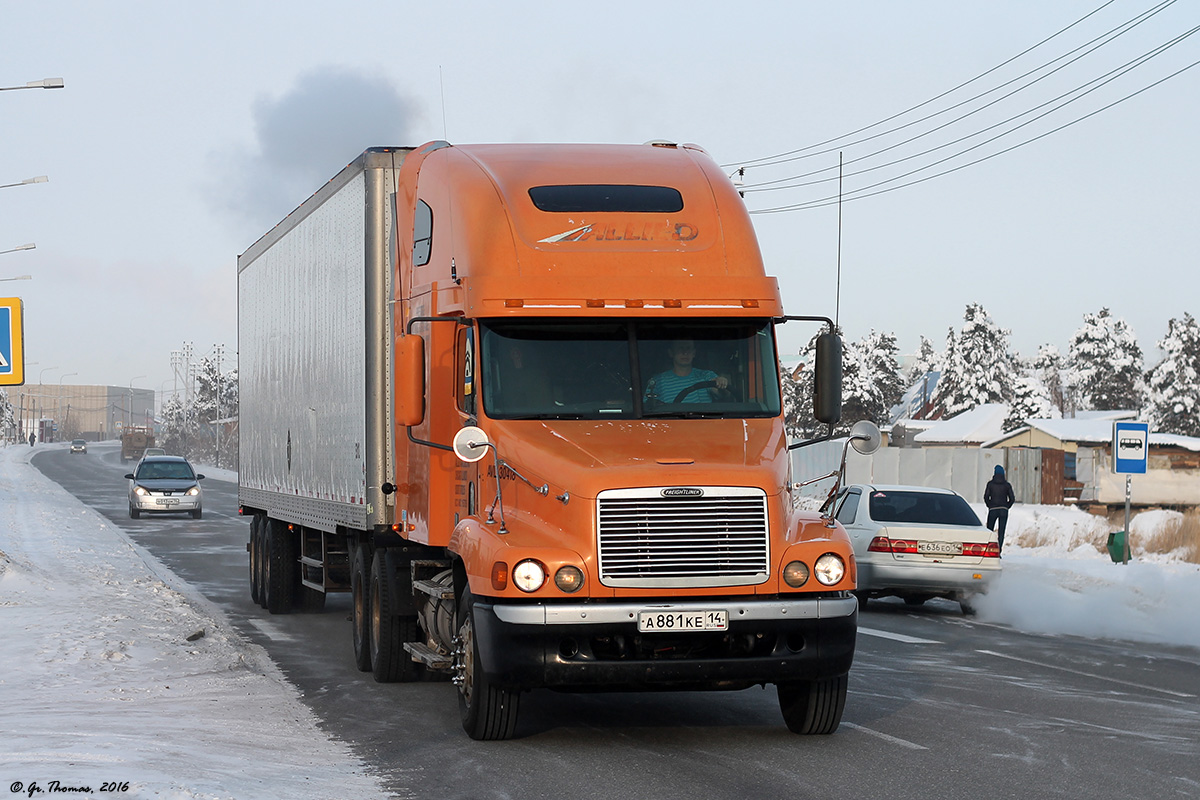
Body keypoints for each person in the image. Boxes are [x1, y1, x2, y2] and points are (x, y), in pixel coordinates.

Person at [643, 339, 728, 405]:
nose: (685, 353)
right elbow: (649, 407)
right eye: (680, 348)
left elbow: (720, 392)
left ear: (694, 353)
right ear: (671, 353)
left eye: (688, 348)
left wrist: (721, 383)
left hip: (703, 424)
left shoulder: (706, 375)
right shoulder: (657, 381)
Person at [983, 464, 1015, 553]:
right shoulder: (1007, 485)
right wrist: (1006, 506)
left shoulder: (990, 484)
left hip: (993, 509)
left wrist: (989, 505)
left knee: (989, 530)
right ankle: (998, 551)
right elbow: (1012, 498)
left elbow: (986, 497)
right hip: (1003, 510)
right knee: (1001, 532)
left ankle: (987, 550)